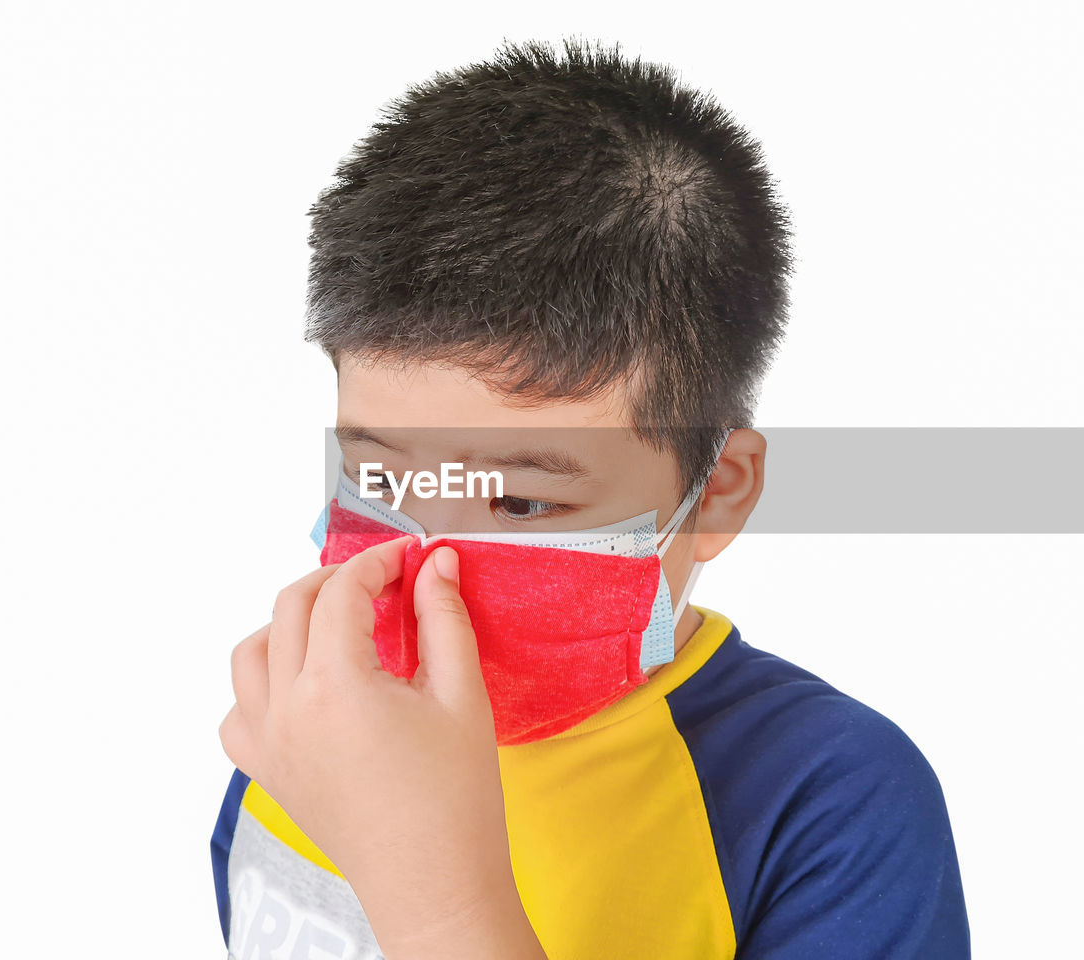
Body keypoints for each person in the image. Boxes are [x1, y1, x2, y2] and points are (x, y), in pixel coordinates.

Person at [210, 37, 970, 960]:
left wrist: (436, 896)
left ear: (718, 494)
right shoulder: (306, 724)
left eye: (522, 505)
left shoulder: (827, 800)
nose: (428, 569)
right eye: (383, 481)